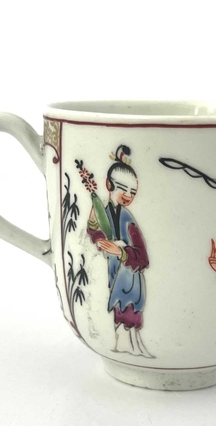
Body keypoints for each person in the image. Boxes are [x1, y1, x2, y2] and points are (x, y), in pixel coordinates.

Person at [87, 146, 153, 357]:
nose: (128, 195)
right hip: (114, 275)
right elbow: (97, 234)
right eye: (123, 188)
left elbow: (143, 257)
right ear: (109, 185)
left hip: (130, 280)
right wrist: (94, 226)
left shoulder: (128, 219)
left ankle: (131, 347)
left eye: (133, 192)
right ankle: (124, 346)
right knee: (119, 314)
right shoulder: (105, 213)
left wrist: (122, 252)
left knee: (129, 314)